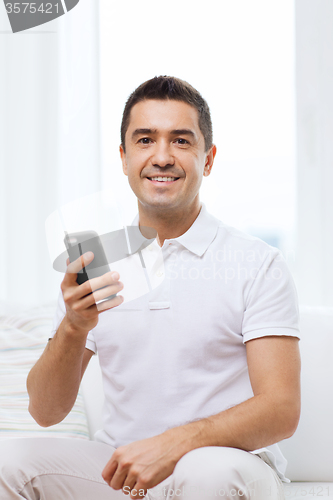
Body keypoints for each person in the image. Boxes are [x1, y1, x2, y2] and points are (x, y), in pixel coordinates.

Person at [0, 76, 301, 500]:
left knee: (206, 473)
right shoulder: (95, 262)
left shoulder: (257, 263)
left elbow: (281, 410)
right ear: (124, 158)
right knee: (8, 465)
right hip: (123, 469)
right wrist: (73, 326)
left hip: (228, 463)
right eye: (145, 140)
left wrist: (173, 444)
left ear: (208, 159)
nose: (161, 157)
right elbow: (45, 412)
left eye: (180, 141)